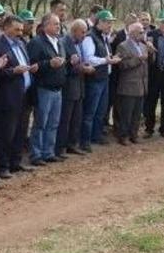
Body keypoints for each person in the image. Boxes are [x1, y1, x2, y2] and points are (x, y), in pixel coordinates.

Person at [0, 15, 39, 178]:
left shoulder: (22, 44)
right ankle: (2, 167)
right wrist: (13, 71)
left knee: (20, 131)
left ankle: (15, 163)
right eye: (16, 29)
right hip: (8, 96)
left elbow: (24, 63)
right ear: (5, 28)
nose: (19, 32)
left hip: (25, 94)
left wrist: (31, 69)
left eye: (21, 30)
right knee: (5, 133)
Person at [26, 14, 68, 165]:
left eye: (59, 24)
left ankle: (48, 152)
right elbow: (31, 65)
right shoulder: (36, 42)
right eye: (55, 24)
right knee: (40, 123)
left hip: (58, 89)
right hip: (43, 88)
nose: (59, 26)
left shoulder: (59, 41)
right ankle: (36, 154)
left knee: (53, 123)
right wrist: (49, 64)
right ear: (45, 26)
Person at [80, 9, 121, 151]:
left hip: (104, 78)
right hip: (94, 79)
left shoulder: (103, 37)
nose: (111, 25)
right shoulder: (90, 37)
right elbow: (88, 58)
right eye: (108, 22)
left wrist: (110, 59)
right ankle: (85, 141)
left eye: (111, 23)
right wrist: (106, 60)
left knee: (101, 110)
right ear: (100, 22)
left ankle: (95, 136)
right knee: (90, 111)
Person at [56, 19, 91, 156]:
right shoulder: (64, 43)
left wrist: (84, 66)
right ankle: (60, 148)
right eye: (82, 32)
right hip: (68, 87)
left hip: (79, 86)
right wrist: (79, 67)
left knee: (76, 118)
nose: (84, 35)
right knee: (65, 119)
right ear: (74, 30)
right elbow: (64, 66)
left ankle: (72, 144)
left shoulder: (79, 44)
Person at [114, 22, 148, 144]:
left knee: (137, 114)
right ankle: (123, 136)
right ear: (132, 33)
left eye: (143, 31)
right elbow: (122, 65)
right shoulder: (123, 46)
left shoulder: (144, 46)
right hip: (128, 86)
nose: (143, 34)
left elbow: (146, 65)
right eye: (140, 32)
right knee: (126, 113)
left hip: (141, 85)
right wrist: (138, 60)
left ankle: (134, 134)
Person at [144, 10, 164, 138]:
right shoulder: (151, 34)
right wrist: (148, 46)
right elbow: (146, 45)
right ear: (158, 23)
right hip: (154, 72)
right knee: (151, 101)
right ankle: (149, 128)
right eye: (162, 22)